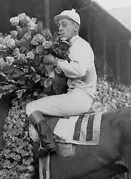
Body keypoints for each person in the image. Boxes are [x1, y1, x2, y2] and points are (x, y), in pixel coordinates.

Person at [25, 9, 97, 156]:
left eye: (64, 25)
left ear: (76, 27)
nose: (60, 29)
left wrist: (55, 61)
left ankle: (47, 146)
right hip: (76, 95)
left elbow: (79, 71)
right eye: (59, 26)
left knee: (31, 107)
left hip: (80, 97)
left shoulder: (81, 45)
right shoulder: (70, 47)